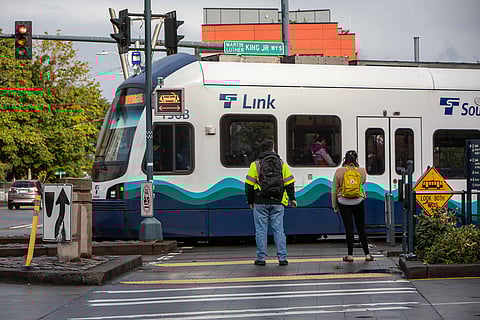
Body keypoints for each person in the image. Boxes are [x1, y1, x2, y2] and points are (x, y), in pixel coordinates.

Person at [245, 139, 297, 266]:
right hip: (278, 202)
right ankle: (282, 258)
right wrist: (292, 198)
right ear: (273, 148)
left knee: (261, 230)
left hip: (260, 201)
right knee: (279, 230)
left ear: (261, 149)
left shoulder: (255, 164)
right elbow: (289, 183)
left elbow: (248, 186)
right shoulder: (281, 163)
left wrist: (250, 201)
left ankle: (261, 258)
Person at [331, 150, 374, 262]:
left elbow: (334, 191)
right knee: (361, 227)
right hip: (358, 200)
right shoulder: (362, 171)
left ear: (345, 159)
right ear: (356, 160)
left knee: (349, 228)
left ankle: (350, 255)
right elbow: (362, 183)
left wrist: (335, 206)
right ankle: (367, 255)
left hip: (343, 201)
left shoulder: (339, 171)